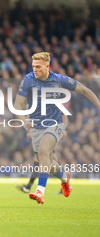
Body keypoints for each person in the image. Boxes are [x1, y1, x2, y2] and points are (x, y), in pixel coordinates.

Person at [14, 52, 100, 204]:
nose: (35, 69)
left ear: (47, 66)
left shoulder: (59, 80)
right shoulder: (28, 80)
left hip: (55, 124)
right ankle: (64, 179)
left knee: (43, 151)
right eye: (33, 66)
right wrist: (23, 121)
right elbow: (17, 105)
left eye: (38, 66)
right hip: (35, 127)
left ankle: (40, 191)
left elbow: (84, 90)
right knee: (47, 161)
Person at [16, 115, 69, 194]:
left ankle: (35, 188)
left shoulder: (51, 105)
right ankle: (65, 180)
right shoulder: (31, 105)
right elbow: (29, 118)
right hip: (39, 133)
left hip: (51, 132)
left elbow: (63, 114)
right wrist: (29, 130)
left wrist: (64, 128)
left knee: (43, 158)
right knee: (49, 162)